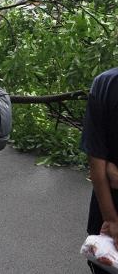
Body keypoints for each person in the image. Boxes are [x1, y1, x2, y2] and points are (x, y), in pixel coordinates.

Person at [81, 67, 118, 274]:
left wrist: (111, 219)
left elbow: (96, 162)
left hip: (107, 213)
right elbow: (97, 163)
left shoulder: (105, 83)